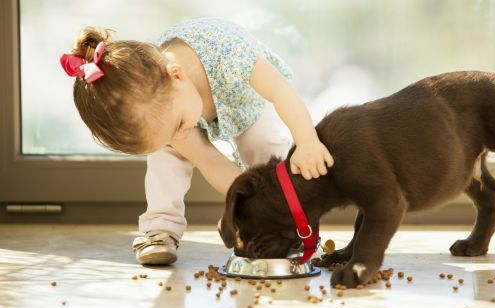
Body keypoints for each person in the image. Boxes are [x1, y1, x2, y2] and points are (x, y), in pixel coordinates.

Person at [60, 17, 334, 265]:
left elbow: (279, 90)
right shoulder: (166, 109)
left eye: (177, 126)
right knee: (166, 158)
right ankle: (160, 227)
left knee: (265, 145)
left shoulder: (230, 56)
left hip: (246, 100)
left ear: (177, 75)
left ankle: (285, 224)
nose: (178, 137)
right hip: (183, 106)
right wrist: (241, 205)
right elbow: (209, 160)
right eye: (167, 135)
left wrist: (307, 140)